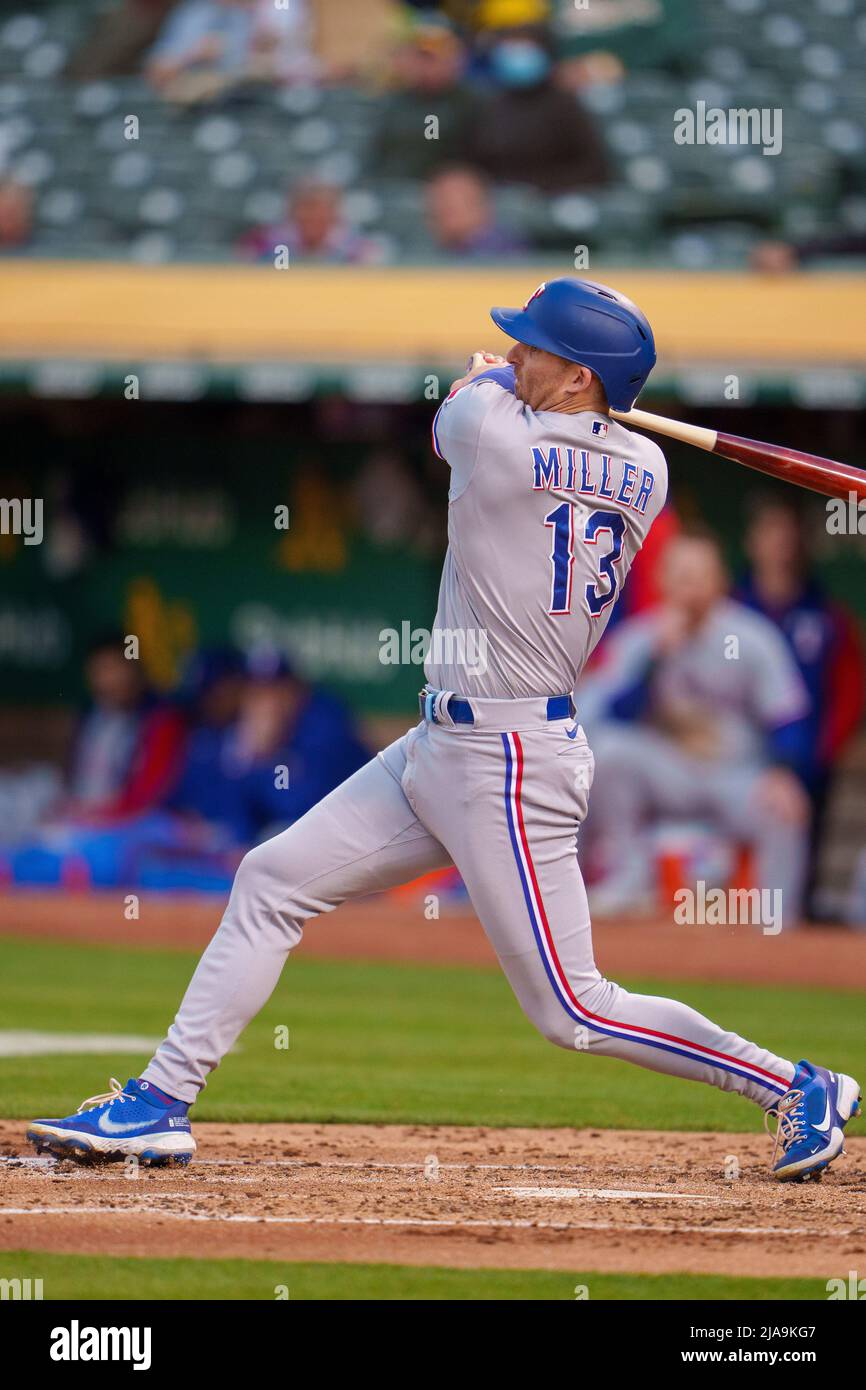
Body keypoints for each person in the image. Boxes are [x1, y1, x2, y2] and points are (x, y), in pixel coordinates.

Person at [28, 278, 860, 1184]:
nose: (511, 354)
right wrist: (523, 388)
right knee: (270, 879)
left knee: (573, 1010)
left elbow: (462, 412)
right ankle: (159, 1101)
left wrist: (488, 384)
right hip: (442, 747)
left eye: (532, 347)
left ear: (580, 376)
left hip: (509, 761)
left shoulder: (489, 432)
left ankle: (798, 1085)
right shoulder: (648, 473)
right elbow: (539, 421)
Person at [582, 532, 814, 925]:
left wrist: (785, 772)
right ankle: (629, 877)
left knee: (784, 806)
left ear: (719, 581)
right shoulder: (642, 639)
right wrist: (654, 661)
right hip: (670, 773)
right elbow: (607, 716)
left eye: (699, 576)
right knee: (608, 753)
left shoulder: (750, 636)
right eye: (681, 576)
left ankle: (778, 922)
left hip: (737, 775)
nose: (689, 587)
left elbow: (789, 718)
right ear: (662, 580)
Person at [737, 495, 866, 911]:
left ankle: (791, 936)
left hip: (808, 762)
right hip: (738, 758)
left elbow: (850, 691)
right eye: (771, 532)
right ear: (752, 541)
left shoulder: (827, 615)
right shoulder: (732, 611)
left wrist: (822, 753)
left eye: (789, 533)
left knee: (796, 872)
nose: (781, 544)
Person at [466, 25, 610, 191]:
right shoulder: (486, 105)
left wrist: (540, 190)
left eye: (524, 49)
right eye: (511, 49)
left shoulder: (565, 105)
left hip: (554, 200)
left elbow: (594, 168)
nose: (516, 56)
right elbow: (471, 163)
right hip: (497, 200)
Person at [237, 180, 379, 265]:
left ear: (334, 214)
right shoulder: (264, 243)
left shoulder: (356, 250)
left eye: (321, 210)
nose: (313, 217)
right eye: (306, 208)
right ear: (292, 211)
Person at [425, 165, 529, 260]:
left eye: (450, 208)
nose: (438, 209)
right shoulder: (441, 250)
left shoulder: (503, 253)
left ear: (482, 207)